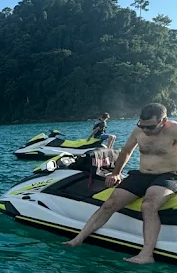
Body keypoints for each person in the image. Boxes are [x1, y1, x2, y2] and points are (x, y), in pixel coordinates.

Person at [66, 103, 177, 263]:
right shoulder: (139, 130)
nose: (145, 130)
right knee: (110, 203)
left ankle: (146, 255)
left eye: (151, 127)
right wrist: (116, 173)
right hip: (143, 174)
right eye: (142, 125)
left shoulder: (174, 130)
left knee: (148, 204)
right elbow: (126, 151)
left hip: (170, 175)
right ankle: (77, 239)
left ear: (163, 120)